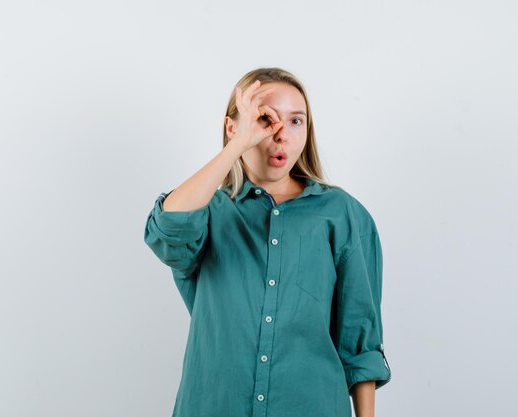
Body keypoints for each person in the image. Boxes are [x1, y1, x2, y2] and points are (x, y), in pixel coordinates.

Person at [143, 67, 392, 417]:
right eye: (265, 119)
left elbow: (360, 343)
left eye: (296, 122)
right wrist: (238, 145)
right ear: (235, 126)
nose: (281, 135)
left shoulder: (343, 215)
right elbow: (167, 229)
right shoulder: (207, 212)